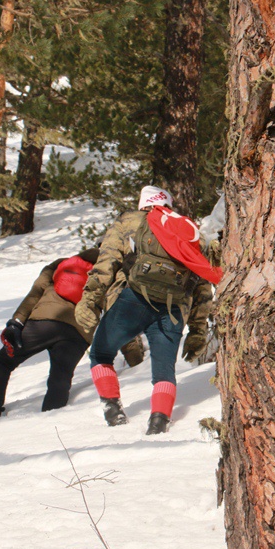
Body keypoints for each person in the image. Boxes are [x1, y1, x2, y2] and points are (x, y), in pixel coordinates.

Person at [74, 185, 222, 435]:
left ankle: (112, 408)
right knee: (164, 371)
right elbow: (202, 284)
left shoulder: (129, 221)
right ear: (169, 205)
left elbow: (106, 263)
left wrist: (90, 300)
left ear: (144, 203)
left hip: (132, 300)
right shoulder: (189, 231)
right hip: (174, 309)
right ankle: (159, 421)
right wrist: (197, 330)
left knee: (100, 354)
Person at [0, 249, 100, 417]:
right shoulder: (108, 274)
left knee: (3, 363)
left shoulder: (61, 263)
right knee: (61, 378)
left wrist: (16, 322)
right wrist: (134, 359)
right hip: (79, 332)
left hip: (44, 322)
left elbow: (36, 292)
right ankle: (49, 420)